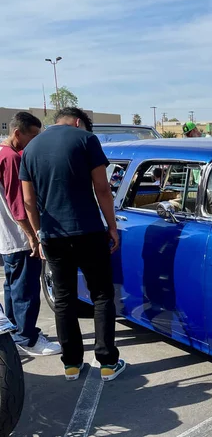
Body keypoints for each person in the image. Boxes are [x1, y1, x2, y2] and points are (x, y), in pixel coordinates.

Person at [19, 107, 126, 382]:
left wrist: (38, 233)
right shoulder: (86, 140)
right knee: (101, 295)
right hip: (87, 230)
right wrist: (112, 227)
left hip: (53, 235)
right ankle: (106, 363)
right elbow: (102, 188)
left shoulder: (30, 149)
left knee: (64, 299)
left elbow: (28, 201)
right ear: (79, 123)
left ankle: (71, 365)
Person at [0, 113, 61, 356]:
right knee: (25, 289)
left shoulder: (2, 153)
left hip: (6, 239)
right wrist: (33, 238)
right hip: (18, 237)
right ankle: (27, 338)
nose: (35, 141)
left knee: (13, 287)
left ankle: (14, 332)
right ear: (17, 134)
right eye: (32, 136)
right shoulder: (12, 158)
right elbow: (20, 206)